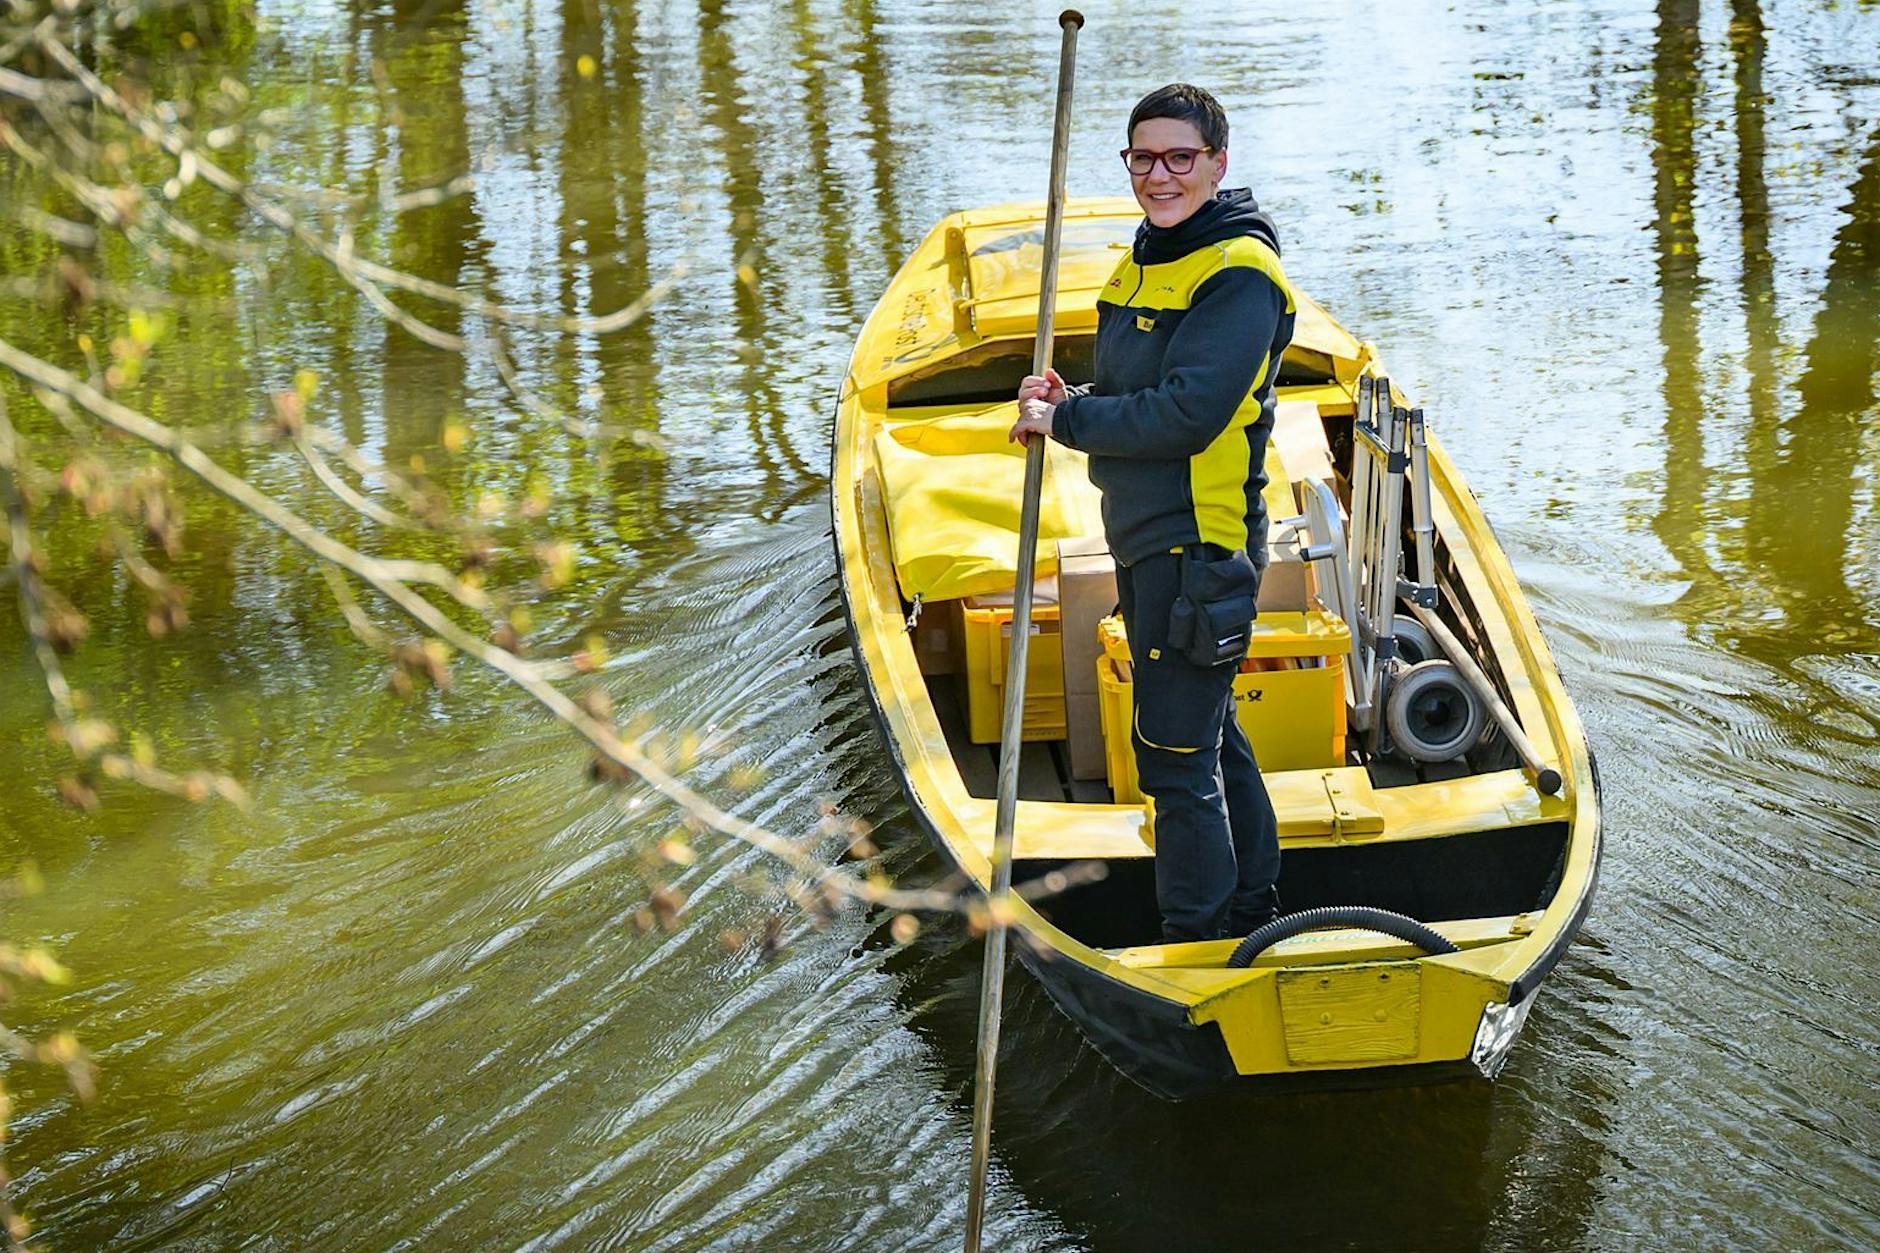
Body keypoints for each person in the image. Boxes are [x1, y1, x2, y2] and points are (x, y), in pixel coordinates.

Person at [1010, 83, 1295, 944]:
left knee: (1174, 761)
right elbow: (1145, 392)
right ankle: (1253, 909)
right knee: (1212, 736)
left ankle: (1200, 944)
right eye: (1144, 157)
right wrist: (1078, 395)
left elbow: (1185, 414)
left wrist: (1065, 421)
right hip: (1145, 540)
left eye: (1180, 157)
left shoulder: (1238, 274)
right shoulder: (1154, 252)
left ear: (1218, 162)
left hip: (1197, 547)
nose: (1159, 175)